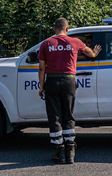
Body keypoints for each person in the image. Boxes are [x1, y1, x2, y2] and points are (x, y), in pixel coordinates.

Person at [38, 18, 101, 164]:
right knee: (68, 115)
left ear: (54, 29)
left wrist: (42, 87)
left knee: (55, 117)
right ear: (67, 29)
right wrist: (94, 53)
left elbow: (42, 68)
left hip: (52, 81)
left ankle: (58, 152)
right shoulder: (75, 42)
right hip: (69, 82)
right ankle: (71, 152)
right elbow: (90, 54)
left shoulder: (46, 44)